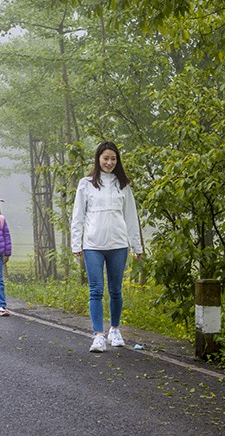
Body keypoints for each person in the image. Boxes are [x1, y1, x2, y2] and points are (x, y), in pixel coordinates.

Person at [71, 141, 143, 352]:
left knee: (116, 290)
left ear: (117, 160)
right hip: (93, 244)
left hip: (118, 244)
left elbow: (131, 217)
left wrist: (137, 246)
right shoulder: (86, 183)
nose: (109, 162)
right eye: (106, 158)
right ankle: (98, 335)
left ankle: (114, 329)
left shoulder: (124, 185)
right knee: (96, 290)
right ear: (98, 159)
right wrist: (77, 243)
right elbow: (78, 216)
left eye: (113, 159)